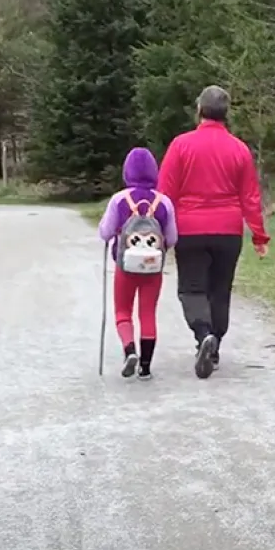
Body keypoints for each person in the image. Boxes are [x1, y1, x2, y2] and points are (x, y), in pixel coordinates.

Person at [157, 84, 270, 379]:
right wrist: (259, 235)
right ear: (226, 113)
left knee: (192, 289)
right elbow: (250, 197)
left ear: (199, 110)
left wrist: (158, 230)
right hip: (228, 231)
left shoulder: (181, 145)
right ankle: (215, 344)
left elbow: (165, 193)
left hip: (190, 228)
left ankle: (203, 333)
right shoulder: (239, 149)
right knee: (220, 291)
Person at [97, 148, 178, 380]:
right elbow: (172, 238)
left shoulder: (120, 199)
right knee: (148, 313)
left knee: (123, 311)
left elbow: (105, 232)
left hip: (125, 266)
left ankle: (129, 349)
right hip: (153, 268)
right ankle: (145, 367)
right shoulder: (164, 202)